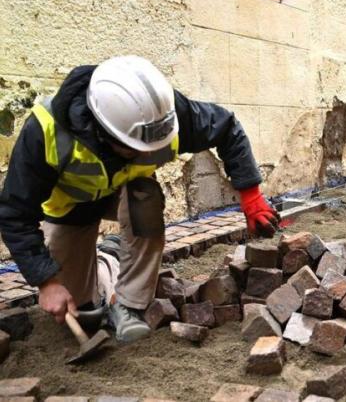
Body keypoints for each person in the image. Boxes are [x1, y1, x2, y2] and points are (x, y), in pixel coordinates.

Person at [0, 56, 280, 342]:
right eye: (136, 148)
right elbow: (14, 214)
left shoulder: (162, 113)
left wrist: (251, 196)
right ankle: (110, 258)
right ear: (103, 131)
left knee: (145, 198)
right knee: (79, 311)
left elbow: (226, 128)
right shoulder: (46, 130)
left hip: (128, 192)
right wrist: (46, 282)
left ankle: (129, 306)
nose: (148, 153)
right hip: (73, 205)